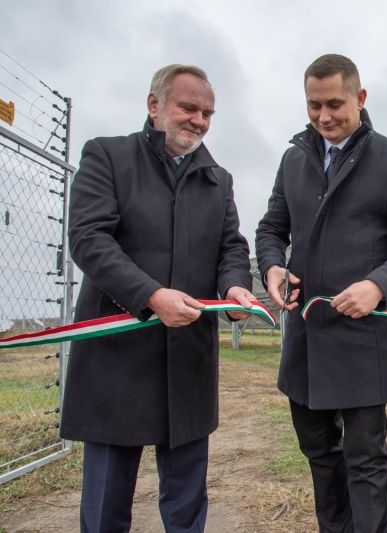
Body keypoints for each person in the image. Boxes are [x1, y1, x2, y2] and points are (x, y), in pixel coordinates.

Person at [61, 64, 255, 532]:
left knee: (186, 502)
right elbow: (89, 238)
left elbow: (231, 247)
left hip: (187, 356)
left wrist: (233, 286)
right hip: (117, 357)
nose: (199, 121)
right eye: (189, 108)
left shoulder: (218, 179)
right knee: (106, 502)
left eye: (207, 113)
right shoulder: (109, 156)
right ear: (155, 105)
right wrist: (149, 295)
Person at [255, 54, 387, 532]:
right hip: (305, 339)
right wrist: (272, 266)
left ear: (360, 97)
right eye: (314, 105)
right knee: (318, 451)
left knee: (366, 458)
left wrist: (378, 285)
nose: (324, 116)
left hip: (362, 338)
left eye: (335, 104)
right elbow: (271, 228)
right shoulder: (294, 159)